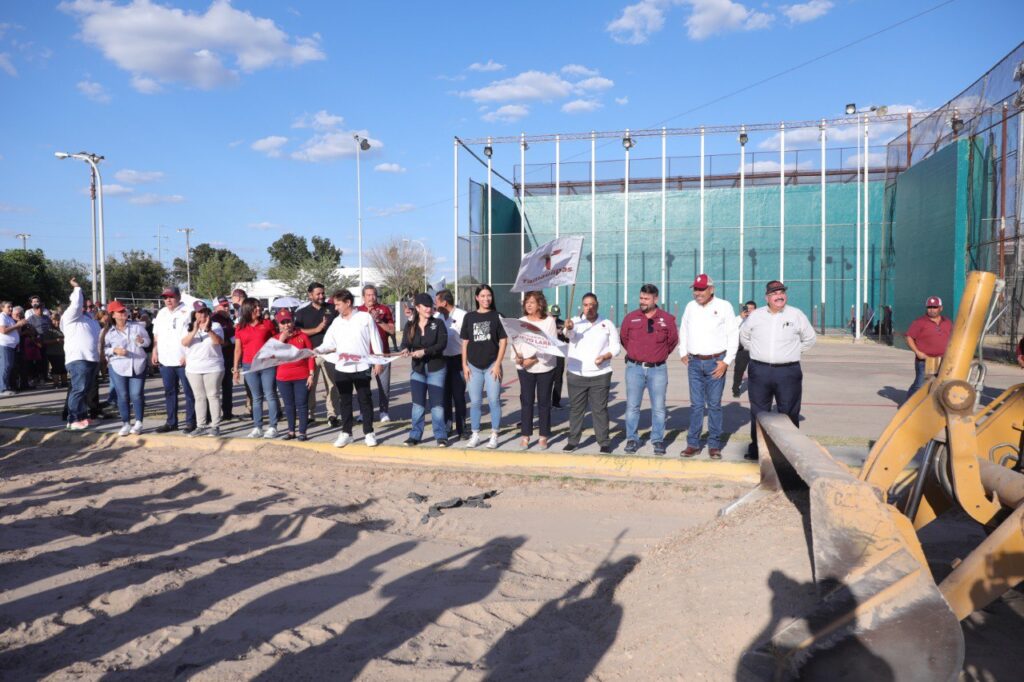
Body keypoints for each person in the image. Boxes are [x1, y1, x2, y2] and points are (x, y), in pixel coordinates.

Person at [740, 280, 817, 461]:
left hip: (788, 372)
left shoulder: (796, 314)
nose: (779, 296)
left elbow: (810, 339)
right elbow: (744, 337)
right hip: (759, 370)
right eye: (774, 293)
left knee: (789, 412)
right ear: (767, 297)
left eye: (782, 292)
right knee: (759, 412)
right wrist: (759, 352)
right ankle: (758, 449)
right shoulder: (756, 315)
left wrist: (791, 352)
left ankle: (789, 453)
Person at [677, 274, 739, 460]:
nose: (698, 293)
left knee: (714, 405)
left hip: (716, 362)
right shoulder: (690, 307)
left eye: (702, 289)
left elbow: (732, 334)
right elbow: (684, 329)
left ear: (711, 289)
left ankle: (714, 445)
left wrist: (727, 361)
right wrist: (683, 352)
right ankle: (693, 444)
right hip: (694, 362)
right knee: (696, 405)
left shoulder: (724, 306)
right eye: (696, 289)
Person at [316, 288, 384, 448]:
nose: (336, 307)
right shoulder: (336, 322)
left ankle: (369, 433)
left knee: (365, 400)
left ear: (348, 303)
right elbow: (328, 343)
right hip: (342, 368)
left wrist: (378, 360)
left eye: (338, 304)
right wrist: (317, 350)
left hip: (362, 367)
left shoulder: (364, 317)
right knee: (345, 401)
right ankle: (346, 433)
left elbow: (375, 340)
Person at [620, 283, 678, 455]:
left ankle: (658, 440)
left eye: (646, 298)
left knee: (659, 407)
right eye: (641, 298)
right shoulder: (630, 318)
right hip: (634, 368)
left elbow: (672, 341)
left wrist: (657, 355)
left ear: (655, 299)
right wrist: (637, 354)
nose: (642, 301)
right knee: (632, 406)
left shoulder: (667, 319)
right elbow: (624, 338)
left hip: (658, 370)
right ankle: (632, 439)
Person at [563, 292, 620, 454]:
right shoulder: (574, 322)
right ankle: (573, 441)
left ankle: (604, 442)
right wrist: (568, 328)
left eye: (592, 305)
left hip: (600, 374)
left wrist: (605, 356)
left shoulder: (607, 324)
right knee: (576, 409)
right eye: (586, 305)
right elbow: (569, 334)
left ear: (597, 306)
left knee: (600, 410)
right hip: (576, 373)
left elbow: (615, 347)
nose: (589, 308)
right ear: (582, 306)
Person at [461, 284, 508, 449]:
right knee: (475, 402)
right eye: (482, 296)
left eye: (489, 295)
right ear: (476, 298)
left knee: (494, 400)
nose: (486, 298)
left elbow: (503, 341)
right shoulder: (469, 317)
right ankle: (475, 434)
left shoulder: (497, 316)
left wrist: (497, 364)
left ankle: (494, 434)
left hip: (491, 366)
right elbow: (465, 343)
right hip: (473, 366)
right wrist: (464, 366)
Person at [400, 292, 449, 447]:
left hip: (436, 369)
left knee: (437, 405)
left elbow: (442, 344)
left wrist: (424, 351)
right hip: (418, 370)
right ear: (418, 307)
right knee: (418, 405)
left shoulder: (438, 324)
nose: (429, 309)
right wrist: (405, 349)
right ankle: (415, 435)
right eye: (426, 306)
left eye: (431, 306)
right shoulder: (410, 325)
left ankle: (440, 435)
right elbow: (405, 343)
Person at [513, 291, 558, 450]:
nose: (529, 304)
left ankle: (543, 435)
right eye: (527, 302)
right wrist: (518, 358)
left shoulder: (549, 322)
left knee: (544, 402)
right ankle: (525, 435)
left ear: (540, 304)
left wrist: (531, 360)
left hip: (544, 366)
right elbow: (517, 344)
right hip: (524, 368)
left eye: (532, 302)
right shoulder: (521, 321)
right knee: (526, 401)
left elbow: (550, 346)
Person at [294, 282, 340, 426]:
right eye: (318, 294)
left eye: (322, 293)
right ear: (310, 295)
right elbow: (298, 331)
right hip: (311, 354)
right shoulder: (302, 313)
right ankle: (310, 414)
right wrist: (317, 329)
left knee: (332, 385)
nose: (321, 296)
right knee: (310, 385)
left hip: (330, 353)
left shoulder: (332, 309)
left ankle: (332, 415)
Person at [233, 297, 279, 439]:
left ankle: (273, 427)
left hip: (267, 364)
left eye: (259, 306)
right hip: (249, 365)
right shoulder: (240, 327)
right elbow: (238, 350)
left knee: (270, 395)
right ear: (247, 309)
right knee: (256, 398)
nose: (259, 309)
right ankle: (257, 427)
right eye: (255, 307)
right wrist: (236, 369)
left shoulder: (268, 324)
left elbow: (277, 342)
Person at [152, 286, 196, 434]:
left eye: (171, 297)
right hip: (165, 359)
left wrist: (187, 355)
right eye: (165, 297)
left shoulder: (188, 312)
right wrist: (154, 351)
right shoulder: (161, 313)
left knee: (189, 392)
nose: (168, 300)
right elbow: (156, 334)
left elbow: (193, 335)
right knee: (169, 392)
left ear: (178, 297)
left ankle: (191, 422)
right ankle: (171, 422)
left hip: (183, 359)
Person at [103, 300, 150, 436]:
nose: (124, 313)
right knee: (122, 396)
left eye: (124, 310)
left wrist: (142, 342)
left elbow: (148, 342)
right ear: (113, 315)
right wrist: (114, 350)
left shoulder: (137, 327)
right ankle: (125, 423)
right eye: (120, 311)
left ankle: (139, 422)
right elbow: (103, 349)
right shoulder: (108, 332)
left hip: (137, 365)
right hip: (118, 366)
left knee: (136, 394)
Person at [61, 278, 101, 429]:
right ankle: (73, 420)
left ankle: (83, 416)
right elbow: (76, 304)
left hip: (91, 359)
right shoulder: (70, 317)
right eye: (85, 305)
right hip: (78, 359)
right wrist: (77, 288)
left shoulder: (90, 320)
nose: (86, 307)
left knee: (86, 391)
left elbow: (97, 339)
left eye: (88, 306)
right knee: (78, 389)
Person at [182, 302, 226, 438]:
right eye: (199, 312)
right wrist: (195, 329)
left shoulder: (216, 326)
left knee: (213, 396)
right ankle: (201, 426)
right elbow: (184, 343)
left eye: (205, 312)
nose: (202, 314)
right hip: (194, 368)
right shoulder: (188, 327)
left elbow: (219, 342)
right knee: (199, 397)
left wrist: (208, 330)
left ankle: (215, 426)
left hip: (213, 367)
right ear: (194, 314)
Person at [273, 308, 314, 441]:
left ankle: (302, 432)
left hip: (301, 376)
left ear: (292, 321)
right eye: (283, 322)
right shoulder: (275, 339)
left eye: (288, 321)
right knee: (289, 405)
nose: (286, 325)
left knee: (302, 404)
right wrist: (281, 340)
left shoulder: (302, 336)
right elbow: (272, 357)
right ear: (278, 324)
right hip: (283, 377)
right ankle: (291, 431)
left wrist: (311, 374)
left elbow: (311, 356)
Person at [358, 284, 395, 423]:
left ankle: (384, 411)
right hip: (363, 354)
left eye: (373, 294)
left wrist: (378, 320)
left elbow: (391, 330)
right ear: (363, 297)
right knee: (363, 386)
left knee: (383, 385)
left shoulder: (384, 309)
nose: (371, 297)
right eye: (368, 295)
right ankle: (364, 412)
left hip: (382, 354)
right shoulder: (358, 311)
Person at [904, 295, 953, 401]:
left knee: (942, 385)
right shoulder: (920, 322)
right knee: (920, 385)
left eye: (935, 307)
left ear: (941, 308)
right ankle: (908, 405)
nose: (932, 310)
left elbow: (953, 338)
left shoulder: (947, 322)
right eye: (929, 307)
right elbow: (909, 337)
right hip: (924, 360)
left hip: (943, 360)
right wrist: (917, 352)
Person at [435, 289, 467, 439]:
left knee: (459, 396)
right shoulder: (437, 317)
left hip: (459, 360)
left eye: (437, 301)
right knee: (444, 396)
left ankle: (462, 429)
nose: (435, 305)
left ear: (444, 302)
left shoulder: (462, 315)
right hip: (442, 361)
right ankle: (448, 426)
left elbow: (468, 341)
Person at [211, 296, 236, 421]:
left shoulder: (228, 319)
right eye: (224, 305)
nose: (227, 308)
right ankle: (211, 415)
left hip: (229, 357)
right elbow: (220, 342)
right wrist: (232, 340)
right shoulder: (214, 320)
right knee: (214, 388)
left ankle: (227, 412)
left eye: (227, 305)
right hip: (217, 358)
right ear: (216, 307)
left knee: (227, 386)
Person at [0, 300, 25, 396]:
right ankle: (2, 389)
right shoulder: (2, 316)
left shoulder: (9, 318)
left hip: (11, 345)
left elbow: (16, 332)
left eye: (11, 306)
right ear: (2, 308)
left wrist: (19, 324)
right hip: (5, 345)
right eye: (8, 307)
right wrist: (17, 325)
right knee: (5, 366)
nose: (11, 308)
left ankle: (5, 386)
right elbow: (3, 330)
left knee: (8, 366)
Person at [732, 301, 757, 398]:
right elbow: (731, 328)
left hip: (755, 349)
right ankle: (735, 389)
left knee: (755, 371)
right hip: (742, 350)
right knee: (739, 370)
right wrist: (741, 317)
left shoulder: (759, 320)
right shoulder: (739, 319)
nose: (749, 310)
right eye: (748, 308)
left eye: (752, 308)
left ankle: (756, 389)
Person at [549, 303, 567, 409]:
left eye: (556, 315)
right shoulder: (544, 323)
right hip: (548, 354)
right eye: (553, 315)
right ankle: (546, 401)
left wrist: (565, 332)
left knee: (558, 378)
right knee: (547, 379)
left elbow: (568, 339)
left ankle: (556, 401)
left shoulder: (562, 324)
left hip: (559, 354)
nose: (555, 317)